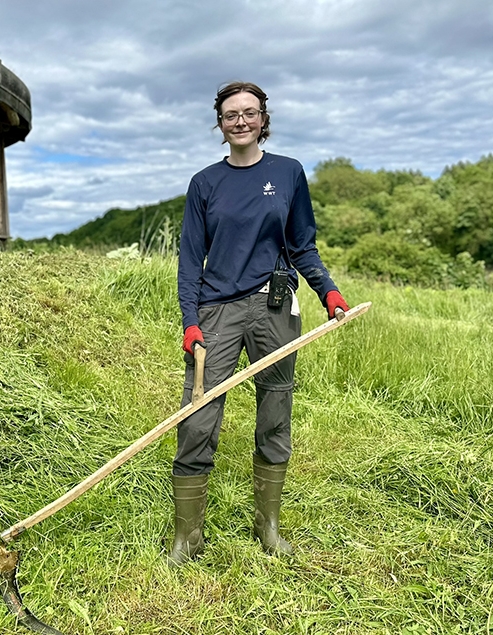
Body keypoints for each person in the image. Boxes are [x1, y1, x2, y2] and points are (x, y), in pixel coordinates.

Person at [168, 81, 348, 566]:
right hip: (218, 311)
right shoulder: (205, 183)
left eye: (250, 112)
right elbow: (189, 261)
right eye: (231, 115)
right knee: (197, 416)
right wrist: (190, 321)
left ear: (263, 119)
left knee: (275, 414)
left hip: (274, 307)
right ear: (220, 124)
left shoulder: (288, 173)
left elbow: (302, 243)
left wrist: (326, 291)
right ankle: (188, 536)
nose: (241, 121)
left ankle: (267, 524)